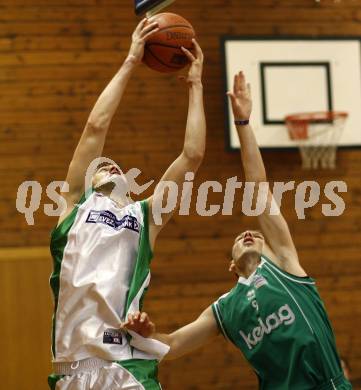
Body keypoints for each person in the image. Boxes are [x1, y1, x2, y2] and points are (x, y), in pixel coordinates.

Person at [123, 72, 352, 389]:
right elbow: (173, 345)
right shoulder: (226, 309)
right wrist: (145, 335)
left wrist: (243, 124)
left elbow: (257, 187)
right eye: (241, 239)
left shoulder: (286, 266)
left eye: (258, 236)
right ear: (232, 266)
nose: (250, 234)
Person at [48, 18, 206, 390]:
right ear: (88, 179)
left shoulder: (145, 215)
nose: (110, 164)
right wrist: (131, 60)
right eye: (103, 165)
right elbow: (96, 127)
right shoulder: (72, 209)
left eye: (117, 166)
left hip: (128, 369)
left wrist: (196, 83)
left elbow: (192, 156)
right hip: (72, 371)